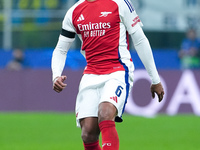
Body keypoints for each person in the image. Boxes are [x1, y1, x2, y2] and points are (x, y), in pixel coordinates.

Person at [51, 0, 164, 149]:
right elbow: (61, 49)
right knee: (88, 133)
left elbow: (140, 39)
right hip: (91, 73)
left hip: (117, 70)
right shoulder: (73, 12)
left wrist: (155, 79)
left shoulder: (120, 3)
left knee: (105, 112)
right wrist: (56, 75)